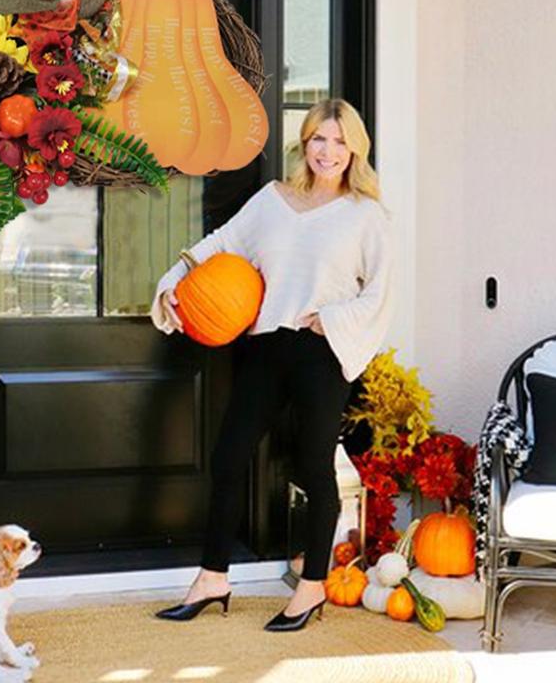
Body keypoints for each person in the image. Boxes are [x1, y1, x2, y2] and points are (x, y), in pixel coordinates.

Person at [150, 97, 393, 632]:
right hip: (265, 344)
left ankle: (311, 589)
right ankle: (213, 577)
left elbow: (379, 295)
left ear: (355, 149)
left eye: (339, 141)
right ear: (303, 143)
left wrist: (328, 320)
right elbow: (221, 244)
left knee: (312, 466)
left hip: (320, 351)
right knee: (229, 455)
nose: (328, 152)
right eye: (318, 139)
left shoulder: (365, 214)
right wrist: (174, 283)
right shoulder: (272, 200)